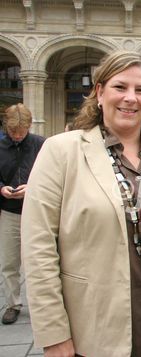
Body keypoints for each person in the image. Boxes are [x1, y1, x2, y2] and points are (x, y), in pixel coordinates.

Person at [21, 50, 141, 356]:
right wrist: (54, 333)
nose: (130, 98)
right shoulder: (61, 152)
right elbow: (38, 247)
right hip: (96, 333)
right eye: (120, 87)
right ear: (99, 93)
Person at [0, 103, 44, 325]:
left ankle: (43, 304)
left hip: (37, 211)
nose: (17, 136)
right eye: (12, 132)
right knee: (9, 262)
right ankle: (12, 304)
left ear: (29, 126)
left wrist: (32, 186)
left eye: (21, 132)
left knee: (41, 260)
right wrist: (1, 188)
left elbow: (52, 175)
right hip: (9, 212)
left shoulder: (41, 144)